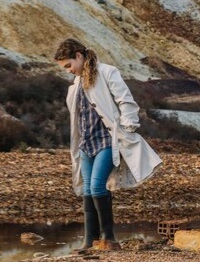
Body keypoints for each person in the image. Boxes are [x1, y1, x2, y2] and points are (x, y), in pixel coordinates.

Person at [54, 38, 162, 252]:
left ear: (79, 56)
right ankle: (90, 240)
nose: (68, 70)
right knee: (86, 188)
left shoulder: (107, 72)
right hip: (85, 143)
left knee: (96, 186)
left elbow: (125, 100)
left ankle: (109, 238)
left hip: (106, 140)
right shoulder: (75, 85)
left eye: (69, 65)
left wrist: (129, 126)